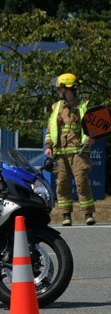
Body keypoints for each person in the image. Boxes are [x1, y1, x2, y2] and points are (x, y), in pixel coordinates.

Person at [44, 73, 95, 226]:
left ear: (69, 89)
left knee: (81, 181)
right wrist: (48, 147)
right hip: (60, 153)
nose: (59, 93)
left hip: (78, 151)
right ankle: (66, 215)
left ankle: (88, 214)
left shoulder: (83, 105)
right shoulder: (56, 107)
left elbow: (93, 127)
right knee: (62, 183)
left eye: (61, 89)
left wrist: (91, 138)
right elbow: (49, 130)